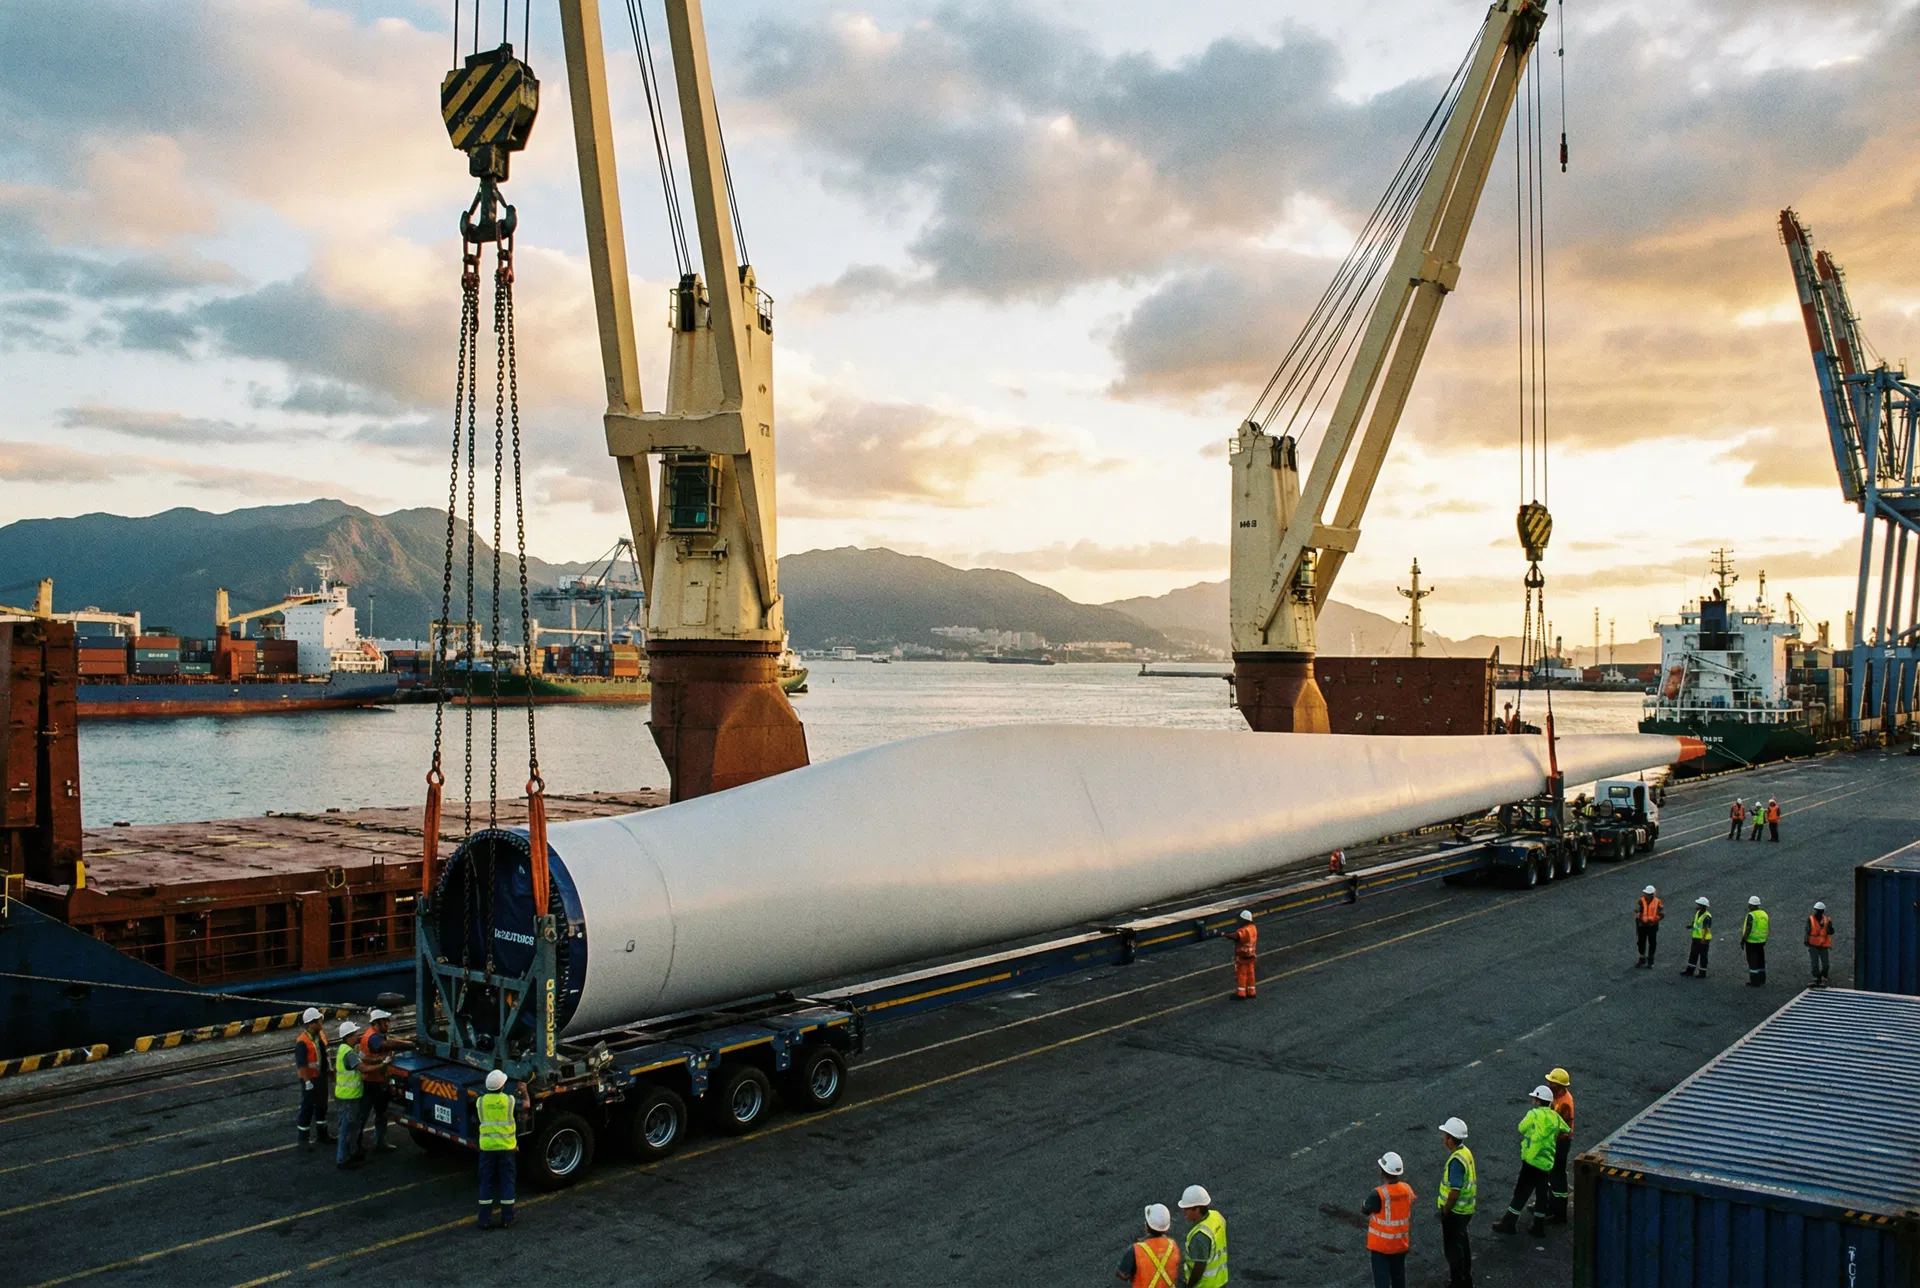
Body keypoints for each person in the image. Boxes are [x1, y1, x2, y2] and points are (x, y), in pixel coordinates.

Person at [1491, 1085, 1568, 1238]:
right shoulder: (1555, 1117)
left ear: (1538, 1100)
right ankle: (1538, 1226)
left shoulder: (1533, 1114)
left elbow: (1521, 1128)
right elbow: (1566, 1129)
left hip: (1531, 1160)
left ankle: (1509, 1222)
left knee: (1521, 1191)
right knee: (1541, 1194)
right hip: (1546, 1162)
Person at [359, 1008, 413, 1153]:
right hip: (371, 1082)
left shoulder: (379, 1035)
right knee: (363, 1115)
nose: (388, 1023)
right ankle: (355, 1145)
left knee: (381, 1113)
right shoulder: (373, 1038)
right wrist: (411, 1045)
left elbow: (390, 1040)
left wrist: (409, 1041)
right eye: (386, 1021)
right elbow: (387, 1045)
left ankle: (380, 1142)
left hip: (380, 1081)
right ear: (377, 1023)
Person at [1362, 1151, 1414, 1288]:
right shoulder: (1407, 1189)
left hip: (1381, 1248)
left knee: (1382, 1282)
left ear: (1382, 1172)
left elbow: (1365, 1209)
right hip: (1400, 1245)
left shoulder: (1378, 1194)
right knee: (1399, 1280)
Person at [477, 1068, 521, 1229]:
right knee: (507, 1182)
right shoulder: (510, 1101)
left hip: (487, 1149)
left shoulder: (480, 1102)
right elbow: (526, 1105)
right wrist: (523, 1090)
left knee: (485, 1183)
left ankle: (484, 1220)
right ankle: (507, 1218)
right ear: (502, 1086)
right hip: (506, 1149)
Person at [1436, 1117, 1475, 1288]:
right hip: (1465, 1210)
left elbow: (1455, 1190)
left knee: (1453, 1250)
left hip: (1456, 1212)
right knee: (1463, 1245)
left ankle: (1458, 1283)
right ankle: (1466, 1279)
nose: (1443, 1139)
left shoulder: (1456, 1161)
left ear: (1450, 1139)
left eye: (1445, 1136)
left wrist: (1446, 1210)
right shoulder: (1465, 1152)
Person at [293, 1007, 331, 1151]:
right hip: (310, 1080)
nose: (321, 1022)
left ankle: (322, 1135)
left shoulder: (320, 1036)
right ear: (310, 1024)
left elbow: (325, 1054)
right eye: (318, 1020)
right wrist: (307, 1081)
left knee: (322, 1106)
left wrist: (329, 1069)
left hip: (320, 1077)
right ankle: (303, 1141)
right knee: (307, 1108)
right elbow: (302, 1065)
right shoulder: (302, 1042)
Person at [1116, 1204, 1181, 1287]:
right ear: (1166, 1228)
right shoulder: (1173, 1246)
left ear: (1147, 1225)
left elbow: (1124, 1275)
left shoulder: (1135, 1250)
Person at [332, 1019, 367, 1169]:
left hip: (344, 1095)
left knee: (349, 1127)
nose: (358, 1036)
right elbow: (363, 1068)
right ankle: (342, 1159)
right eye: (355, 1034)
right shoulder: (349, 1053)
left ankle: (349, 1154)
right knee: (347, 1129)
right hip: (349, 1098)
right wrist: (383, 1064)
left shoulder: (342, 1049)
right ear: (348, 1036)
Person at [1178, 1185, 1228, 1288]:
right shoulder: (1216, 1216)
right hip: (1220, 1281)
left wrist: (1189, 1286)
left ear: (1197, 1209)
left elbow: (1199, 1267)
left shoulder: (1200, 1236)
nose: (1184, 1212)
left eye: (1187, 1209)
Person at [1544, 1068, 1574, 1222]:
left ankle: (1558, 1213)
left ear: (1560, 1086)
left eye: (1552, 1082)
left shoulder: (1563, 1103)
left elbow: (1561, 1128)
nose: (1549, 1084)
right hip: (1557, 1141)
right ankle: (1551, 1205)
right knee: (1552, 1175)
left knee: (1557, 1176)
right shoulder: (1557, 1097)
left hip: (1559, 1143)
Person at [1225, 910, 1258, 1000]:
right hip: (1251, 955)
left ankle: (1241, 993)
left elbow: (1237, 936)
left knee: (1242, 974)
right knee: (1251, 974)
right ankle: (1251, 991)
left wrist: (1224, 934)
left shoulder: (1245, 930)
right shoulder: (1253, 928)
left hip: (1243, 956)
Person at [1741, 895, 1769, 986]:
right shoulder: (1764, 914)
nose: (1748, 907)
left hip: (1752, 941)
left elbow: (1748, 928)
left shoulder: (1751, 915)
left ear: (1753, 905)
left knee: (1752, 960)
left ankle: (1754, 981)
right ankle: (1762, 979)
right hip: (1762, 940)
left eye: (1750, 905)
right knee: (1761, 959)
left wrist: (1743, 940)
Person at [1806, 901, 1835, 987]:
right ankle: (1816, 978)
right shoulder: (1810, 919)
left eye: (1820, 910)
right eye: (1817, 910)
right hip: (1813, 945)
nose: (1818, 912)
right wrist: (1806, 940)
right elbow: (1807, 930)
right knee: (1814, 964)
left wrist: (1829, 928)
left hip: (1823, 945)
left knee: (1826, 964)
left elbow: (1831, 931)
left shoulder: (1827, 920)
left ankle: (1823, 977)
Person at [1635, 885, 1664, 968]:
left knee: (1652, 943)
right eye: (1645, 893)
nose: (1645, 895)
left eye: (1647, 893)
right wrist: (1637, 927)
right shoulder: (1641, 901)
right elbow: (1638, 913)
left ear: (1652, 894)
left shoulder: (1658, 902)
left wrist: (1654, 920)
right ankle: (1642, 957)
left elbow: (1661, 914)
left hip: (1652, 926)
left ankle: (1650, 960)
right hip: (1642, 926)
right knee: (1641, 942)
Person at [1683, 897, 1712, 977]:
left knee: (1703, 956)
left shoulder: (1707, 916)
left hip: (1703, 939)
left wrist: (1703, 939)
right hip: (1696, 937)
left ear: (1703, 906)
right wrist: (1691, 925)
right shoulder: (1698, 912)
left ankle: (1702, 973)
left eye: (1699, 905)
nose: (1697, 906)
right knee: (1693, 954)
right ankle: (1689, 971)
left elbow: (1706, 929)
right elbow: (1696, 921)